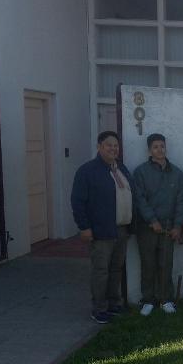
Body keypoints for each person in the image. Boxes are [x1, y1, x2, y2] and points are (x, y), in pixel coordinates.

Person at [70, 130, 133, 324]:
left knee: (116, 269)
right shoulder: (87, 171)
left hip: (122, 228)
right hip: (101, 230)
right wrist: (84, 227)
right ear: (99, 147)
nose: (113, 148)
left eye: (116, 145)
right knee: (101, 270)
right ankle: (99, 308)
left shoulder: (121, 168)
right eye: (109, 145)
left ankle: (114, 304)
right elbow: (78, 201)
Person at [132, 133, 183, 316]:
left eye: (162, 146)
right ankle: (148, 300)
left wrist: (178, 225)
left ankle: (166, 299)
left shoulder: (176, 173)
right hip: (147, 228)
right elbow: (139, 199)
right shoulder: (141, 172)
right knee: (148, 264)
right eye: (155, 147)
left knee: (166, 264)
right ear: (150, 150)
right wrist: (152, 220)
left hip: (168, 228)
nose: (160, 149)